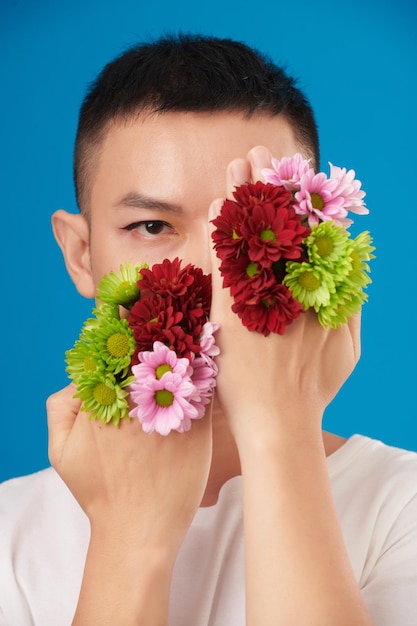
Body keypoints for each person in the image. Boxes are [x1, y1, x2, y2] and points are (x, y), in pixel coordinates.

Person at [0, 33, 416, 626]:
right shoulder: (8, 540)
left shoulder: (403, 509)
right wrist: (129, 544)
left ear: (316, 247)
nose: (217, 278)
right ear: (82, 255)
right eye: (150, 226)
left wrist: (280, 424)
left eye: (253, 222)